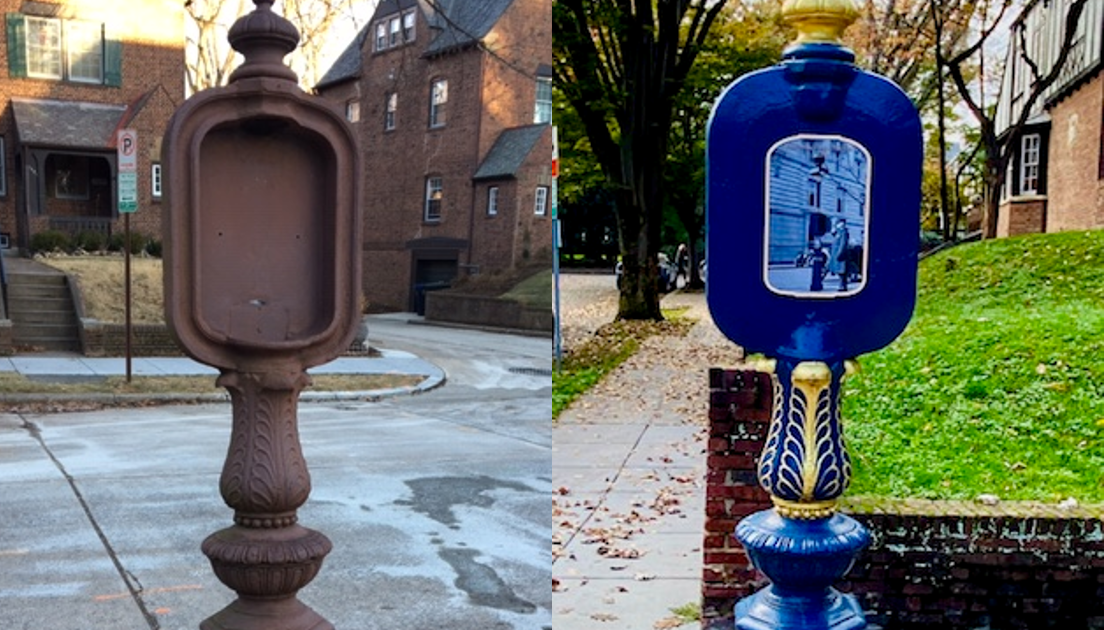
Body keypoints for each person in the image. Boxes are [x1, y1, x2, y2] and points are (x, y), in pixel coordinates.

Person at [828, 218, 849, 291]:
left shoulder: (843, 232)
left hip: (840, 254)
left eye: (839, 223)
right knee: (839, 270)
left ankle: (842, 286)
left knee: (842, 271)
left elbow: (843, 244)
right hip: (835, 253)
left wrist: (840, 253)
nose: (838, 224)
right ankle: (842, 285)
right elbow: (834, 235)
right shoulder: (838, 231)